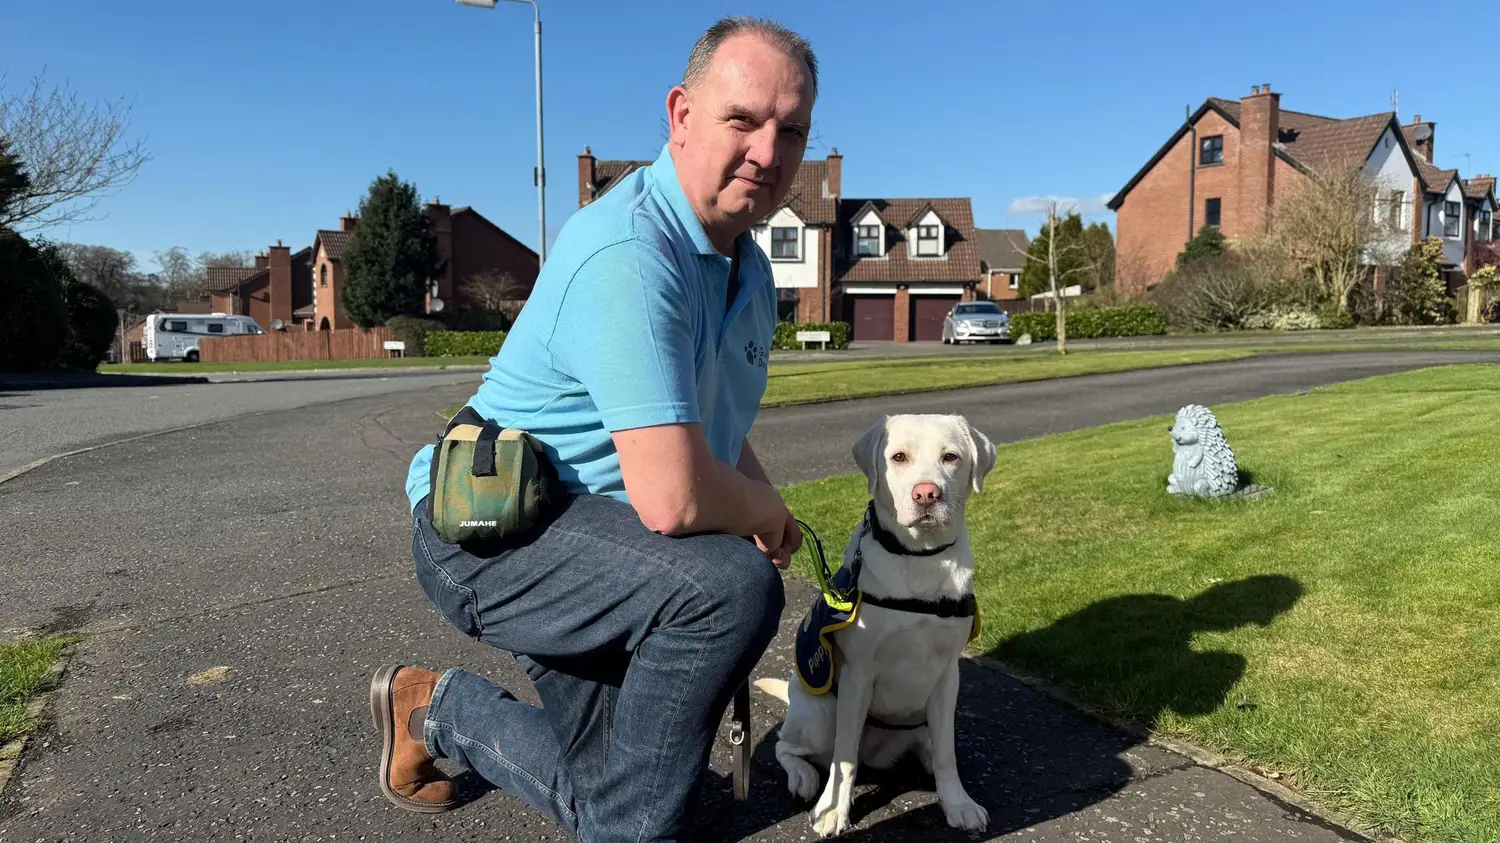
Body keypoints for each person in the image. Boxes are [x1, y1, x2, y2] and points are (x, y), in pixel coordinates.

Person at [370, 15, 818, 843]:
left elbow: (712, 424)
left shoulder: (748, 271)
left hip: (605, 546)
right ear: (681, 115)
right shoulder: (631, 252)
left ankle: (435, 710)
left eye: (791, 130)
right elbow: (675, 498)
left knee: (627, 795)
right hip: (493, 529)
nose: (768, 150)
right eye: (743, 119)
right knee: (728, 589)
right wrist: (762, 514)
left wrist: (757, 499)